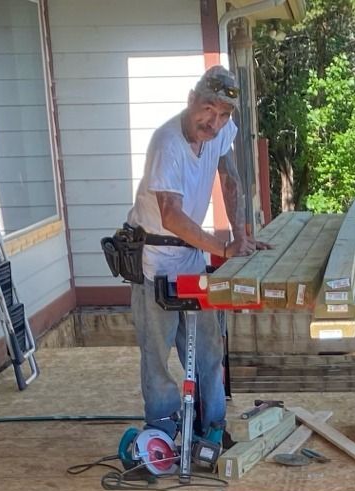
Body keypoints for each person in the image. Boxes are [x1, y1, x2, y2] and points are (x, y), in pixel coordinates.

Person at [126, 65, 266, 443]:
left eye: (223, 115)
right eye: (208, 109)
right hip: (154, 260)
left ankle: (212, 427)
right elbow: (170, 215)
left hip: (191, 254)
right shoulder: (166, 143)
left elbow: (229, 177)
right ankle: (162, 430)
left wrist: (241, 234)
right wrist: (223, 248)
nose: (214, 122)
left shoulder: (218, 134)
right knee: (157, 354)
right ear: (191, 100)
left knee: (208, 346)